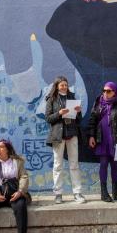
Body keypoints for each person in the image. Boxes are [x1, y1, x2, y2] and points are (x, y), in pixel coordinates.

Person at [87, 82, 117, 202]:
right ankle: (103, 192)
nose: (106, 93)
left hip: (116, 139)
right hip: (102, 139)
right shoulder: (98, 103)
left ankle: (115, 191)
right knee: (103, 164)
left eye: (109, 91)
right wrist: (91, 136)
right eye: (104, 90)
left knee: (114, 165)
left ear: (114, 92)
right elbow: (92, 120)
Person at [44, 76, 86, 204]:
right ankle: (58, 194)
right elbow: (48, 118)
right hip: (58, 135)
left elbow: (79, 119)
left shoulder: (72, 97)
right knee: (58, 165)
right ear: (57, 86)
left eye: (66, 85)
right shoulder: (51, 99)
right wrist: (60, 113)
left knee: (74, 164)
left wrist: (79, 112)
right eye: (62, 85)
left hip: (72, 133)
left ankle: (77, 193)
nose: (64, 87)